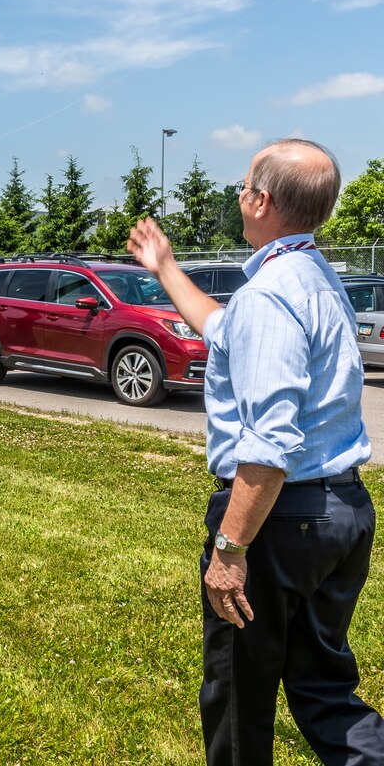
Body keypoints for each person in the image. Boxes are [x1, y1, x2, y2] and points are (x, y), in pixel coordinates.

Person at [127, 138, 384, 764]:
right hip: (341, 510)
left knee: (240, 698)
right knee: (324, 689)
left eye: (244, 185)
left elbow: (269, 447)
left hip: (280, 522)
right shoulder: (316, 277)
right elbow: (222, 328)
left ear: (261, 200)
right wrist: (164, 266)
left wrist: (231, 550)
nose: (239, 194)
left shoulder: (272, 295)